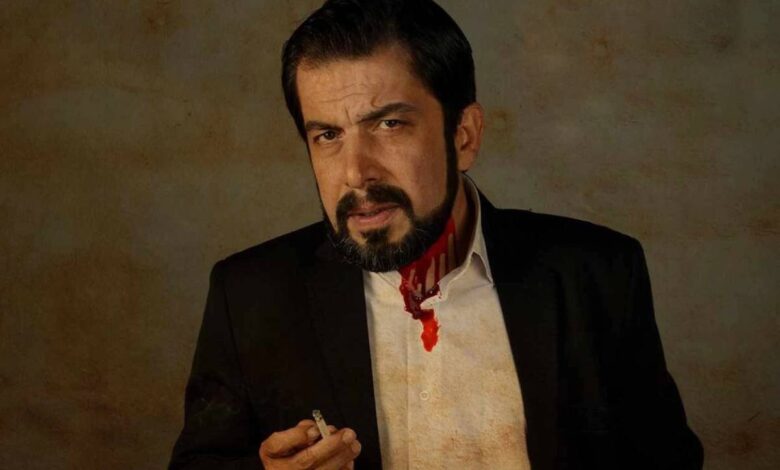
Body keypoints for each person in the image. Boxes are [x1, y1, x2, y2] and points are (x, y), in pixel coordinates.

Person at [169, 0, 703, 469]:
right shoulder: (249, 295)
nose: (356, 173)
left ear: (463, 136)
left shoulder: (599, 275)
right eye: (328, 135)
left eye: (389, 124)